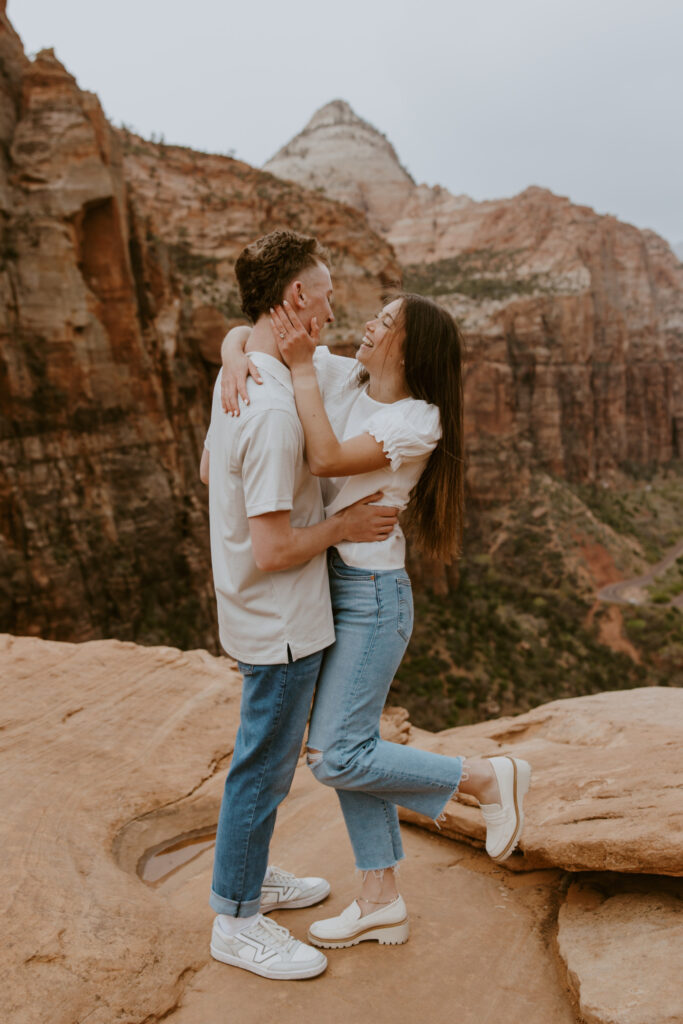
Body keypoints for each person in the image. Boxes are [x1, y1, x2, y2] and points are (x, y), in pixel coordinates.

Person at [221, 291, 531, 951]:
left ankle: (479, 778)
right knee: (353, 747)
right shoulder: (344, 374)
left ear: (410, 346)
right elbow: (245, 337)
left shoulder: (419, 419)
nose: (369, 322)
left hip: (370, 595)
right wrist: (232, 358)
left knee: (336, 754)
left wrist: (301, 366)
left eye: (386, 321)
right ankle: (380, 899)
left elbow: (326, 459)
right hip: (329, 584)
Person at [200, 229, 400, 980]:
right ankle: (237, 919)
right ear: (293, 300)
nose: (332, 304)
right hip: (281, 622)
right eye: (323, 292)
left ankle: (249, 873)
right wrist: (345, 525)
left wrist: (229, 347)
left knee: (268, 765)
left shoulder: (247, 374)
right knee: (261, 769)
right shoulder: (274, 411)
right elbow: (274, 549)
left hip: (257, 613)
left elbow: (207, 470)